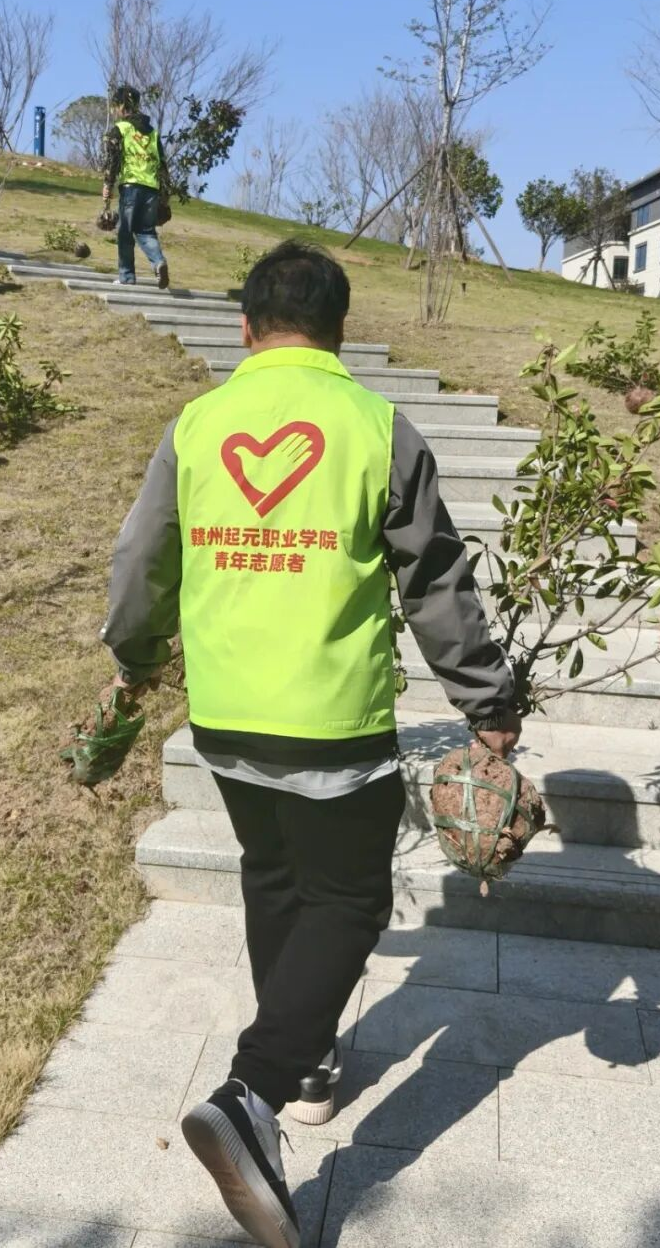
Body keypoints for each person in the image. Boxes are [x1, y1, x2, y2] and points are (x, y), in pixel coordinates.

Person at [101, 240, 520, 1248]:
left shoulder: (198, 424)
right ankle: (253, 1094)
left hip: (229, 716)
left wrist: (135, 656)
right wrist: (487, 698)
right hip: (331, 719)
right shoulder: (376, 425)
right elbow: (436, 583)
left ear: (246, 327)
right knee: (351, 895)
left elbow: (140, 559)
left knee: (276, 875)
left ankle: (312, 1061)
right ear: (339, 331)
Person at [101, 83, 170, 289]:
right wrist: (165, 195)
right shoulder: (153, 133)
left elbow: (113, 159)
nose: (114, 111)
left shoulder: (120, 129)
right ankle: (158, 262)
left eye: (115, 106)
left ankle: (127, 276)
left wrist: (108, 184)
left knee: (125, 231)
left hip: (131, 186)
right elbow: (163, 165)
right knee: (146, 231)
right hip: (151, 187)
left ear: (121, 106)